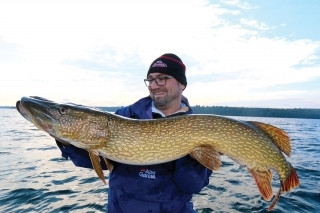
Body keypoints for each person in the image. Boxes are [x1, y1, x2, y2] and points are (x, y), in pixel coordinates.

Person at [56, 53, 212, 213]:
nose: (154, 85)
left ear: (181, 84)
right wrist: (66, 140)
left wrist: (194, 158)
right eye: (150, 79)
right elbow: (99, 162)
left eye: (163, 78)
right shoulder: (124, 116)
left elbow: (191, 185)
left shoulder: (202, 127)